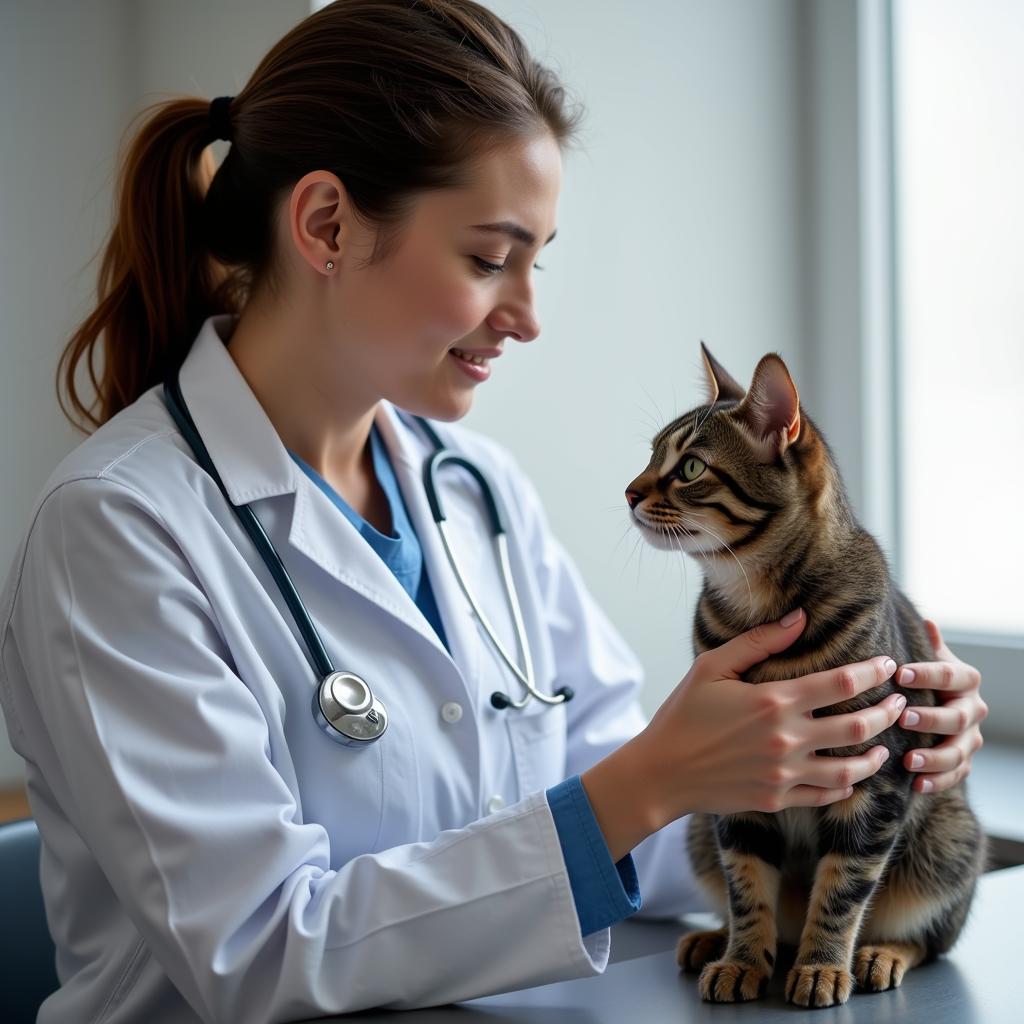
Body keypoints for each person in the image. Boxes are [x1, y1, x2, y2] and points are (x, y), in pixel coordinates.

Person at [0, 2, 987, 1022]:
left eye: (537, 260)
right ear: (327, 225)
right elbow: (255, 952)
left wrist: (842, 755)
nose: (526, 316)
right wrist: (652, 780)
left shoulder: (475, 492)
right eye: (488, 258)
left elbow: (636, 829)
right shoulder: (117, 531)